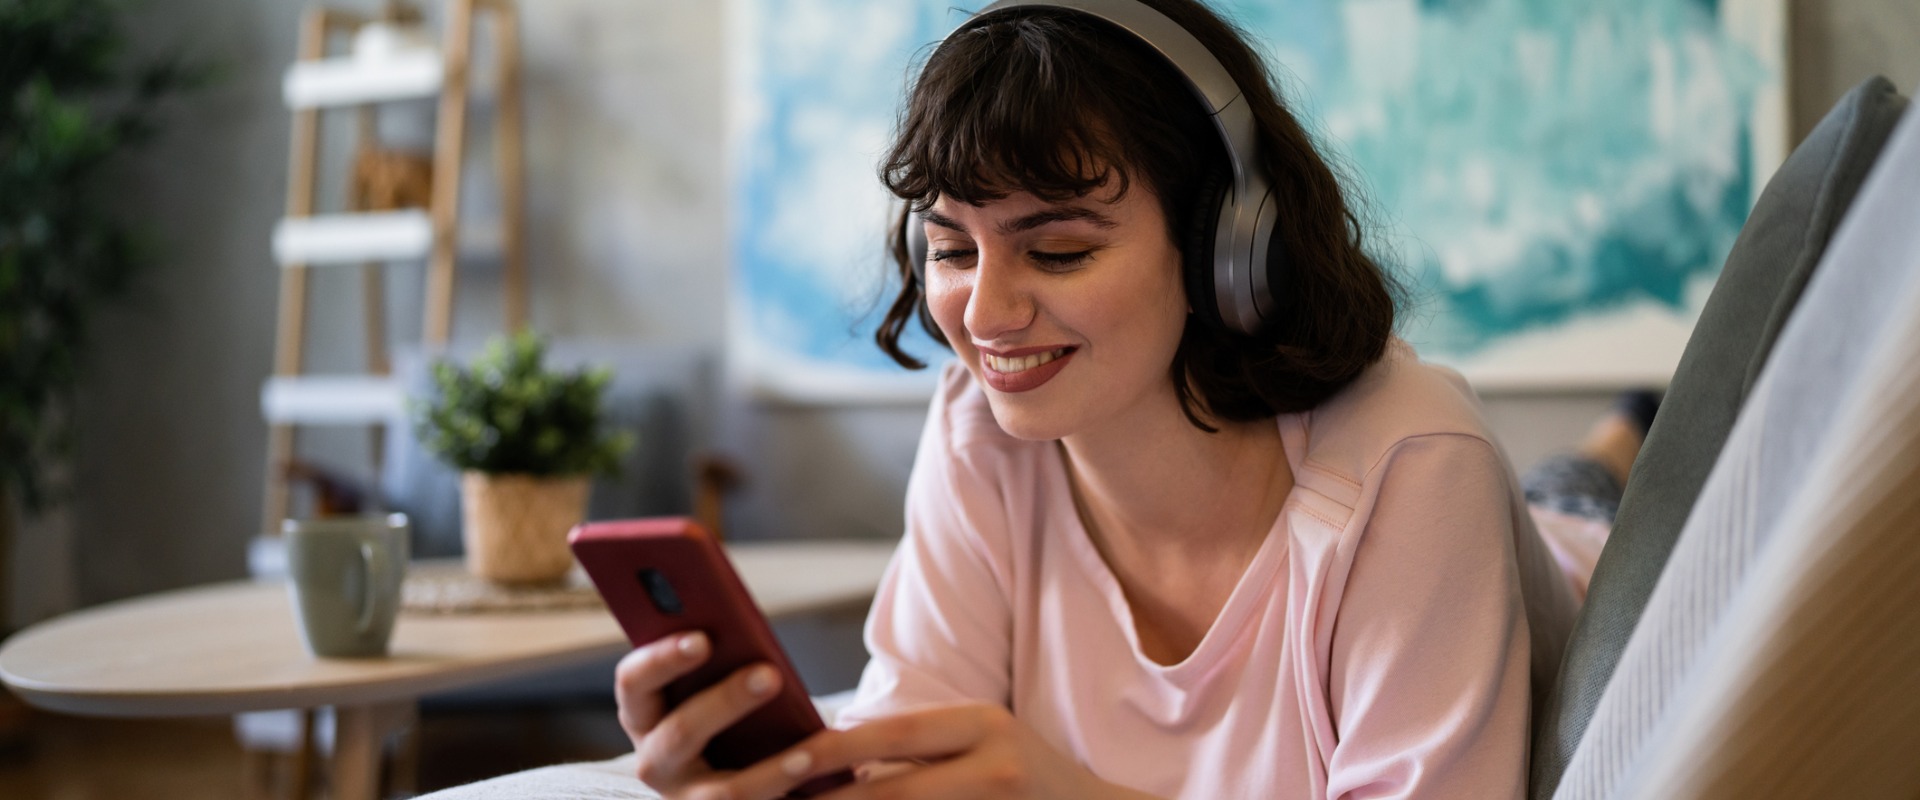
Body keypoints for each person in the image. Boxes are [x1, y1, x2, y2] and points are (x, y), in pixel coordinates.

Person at [612, 1, 1581, 797]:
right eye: (951, 248)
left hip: (1561, 552)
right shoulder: (978, 430)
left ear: (1226, 248)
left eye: (1059, 249)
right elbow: (912, 732)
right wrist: (776, 770)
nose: (984, 313)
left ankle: (1615, 438)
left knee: (1579, 492)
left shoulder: (1412, 457)